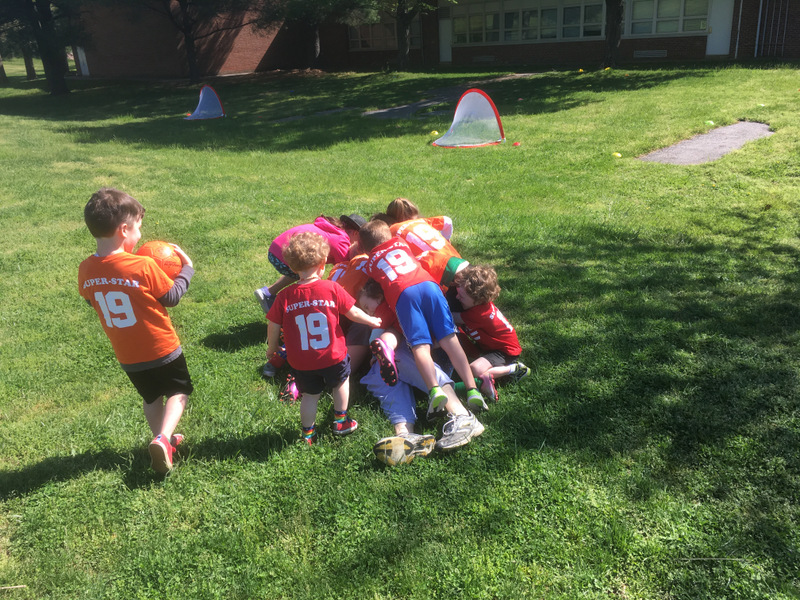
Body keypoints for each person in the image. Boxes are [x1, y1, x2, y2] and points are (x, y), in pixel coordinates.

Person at [78, 188, 194, 474]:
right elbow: (172, 297)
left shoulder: (86, 269)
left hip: (128, 354)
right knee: (179, 391)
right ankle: (164, 437)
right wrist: (187, 269)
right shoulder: (143, 265)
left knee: (151, 397)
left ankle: (160, 439)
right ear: (124, 230)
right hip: (161, 347)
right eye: (138, 229)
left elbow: (91, 300)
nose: (140, 235)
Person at [359, 219, 488, 438]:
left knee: (419, 346)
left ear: (366, 249)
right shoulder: (401, 243)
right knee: (451, 340)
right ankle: (472, 389)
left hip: (404, 295)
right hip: (430, 286)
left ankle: (434, 389)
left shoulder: (370, 263)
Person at [264, 232, 381, 445]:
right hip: (333, 356)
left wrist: (272, 348)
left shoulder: (284, 296)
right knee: (341, 382)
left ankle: (308, 434)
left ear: (292, 268)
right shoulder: (332, 288)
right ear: (323, 263)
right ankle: (340, 421)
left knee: (310, 395)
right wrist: (371, 320)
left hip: (301, 361)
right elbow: (353, 312)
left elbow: (273, 325)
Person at [364, 344, 484, 465]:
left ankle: (462, 415)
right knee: (381, 365)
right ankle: (405, 434)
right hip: (407, 365)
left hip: (430, 356)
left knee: (395, 356)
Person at [254, 214, 365, 313]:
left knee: (306, 265)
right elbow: (345, 271)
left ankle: (268, 293)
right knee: (309, 275)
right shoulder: (342, 241)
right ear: (355, 233)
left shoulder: (332, 230)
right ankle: (304, 307)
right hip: (283, 256)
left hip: (275, 250)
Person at [452, 265, 530, 392]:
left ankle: (514, 369)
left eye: (462, 297)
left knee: (474, 369)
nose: (456, 297)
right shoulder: (478, 306)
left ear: (478, 300)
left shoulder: (478, 314)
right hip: (489, 347)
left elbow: (451, 317)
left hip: (505, 351)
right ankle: (488, 376)